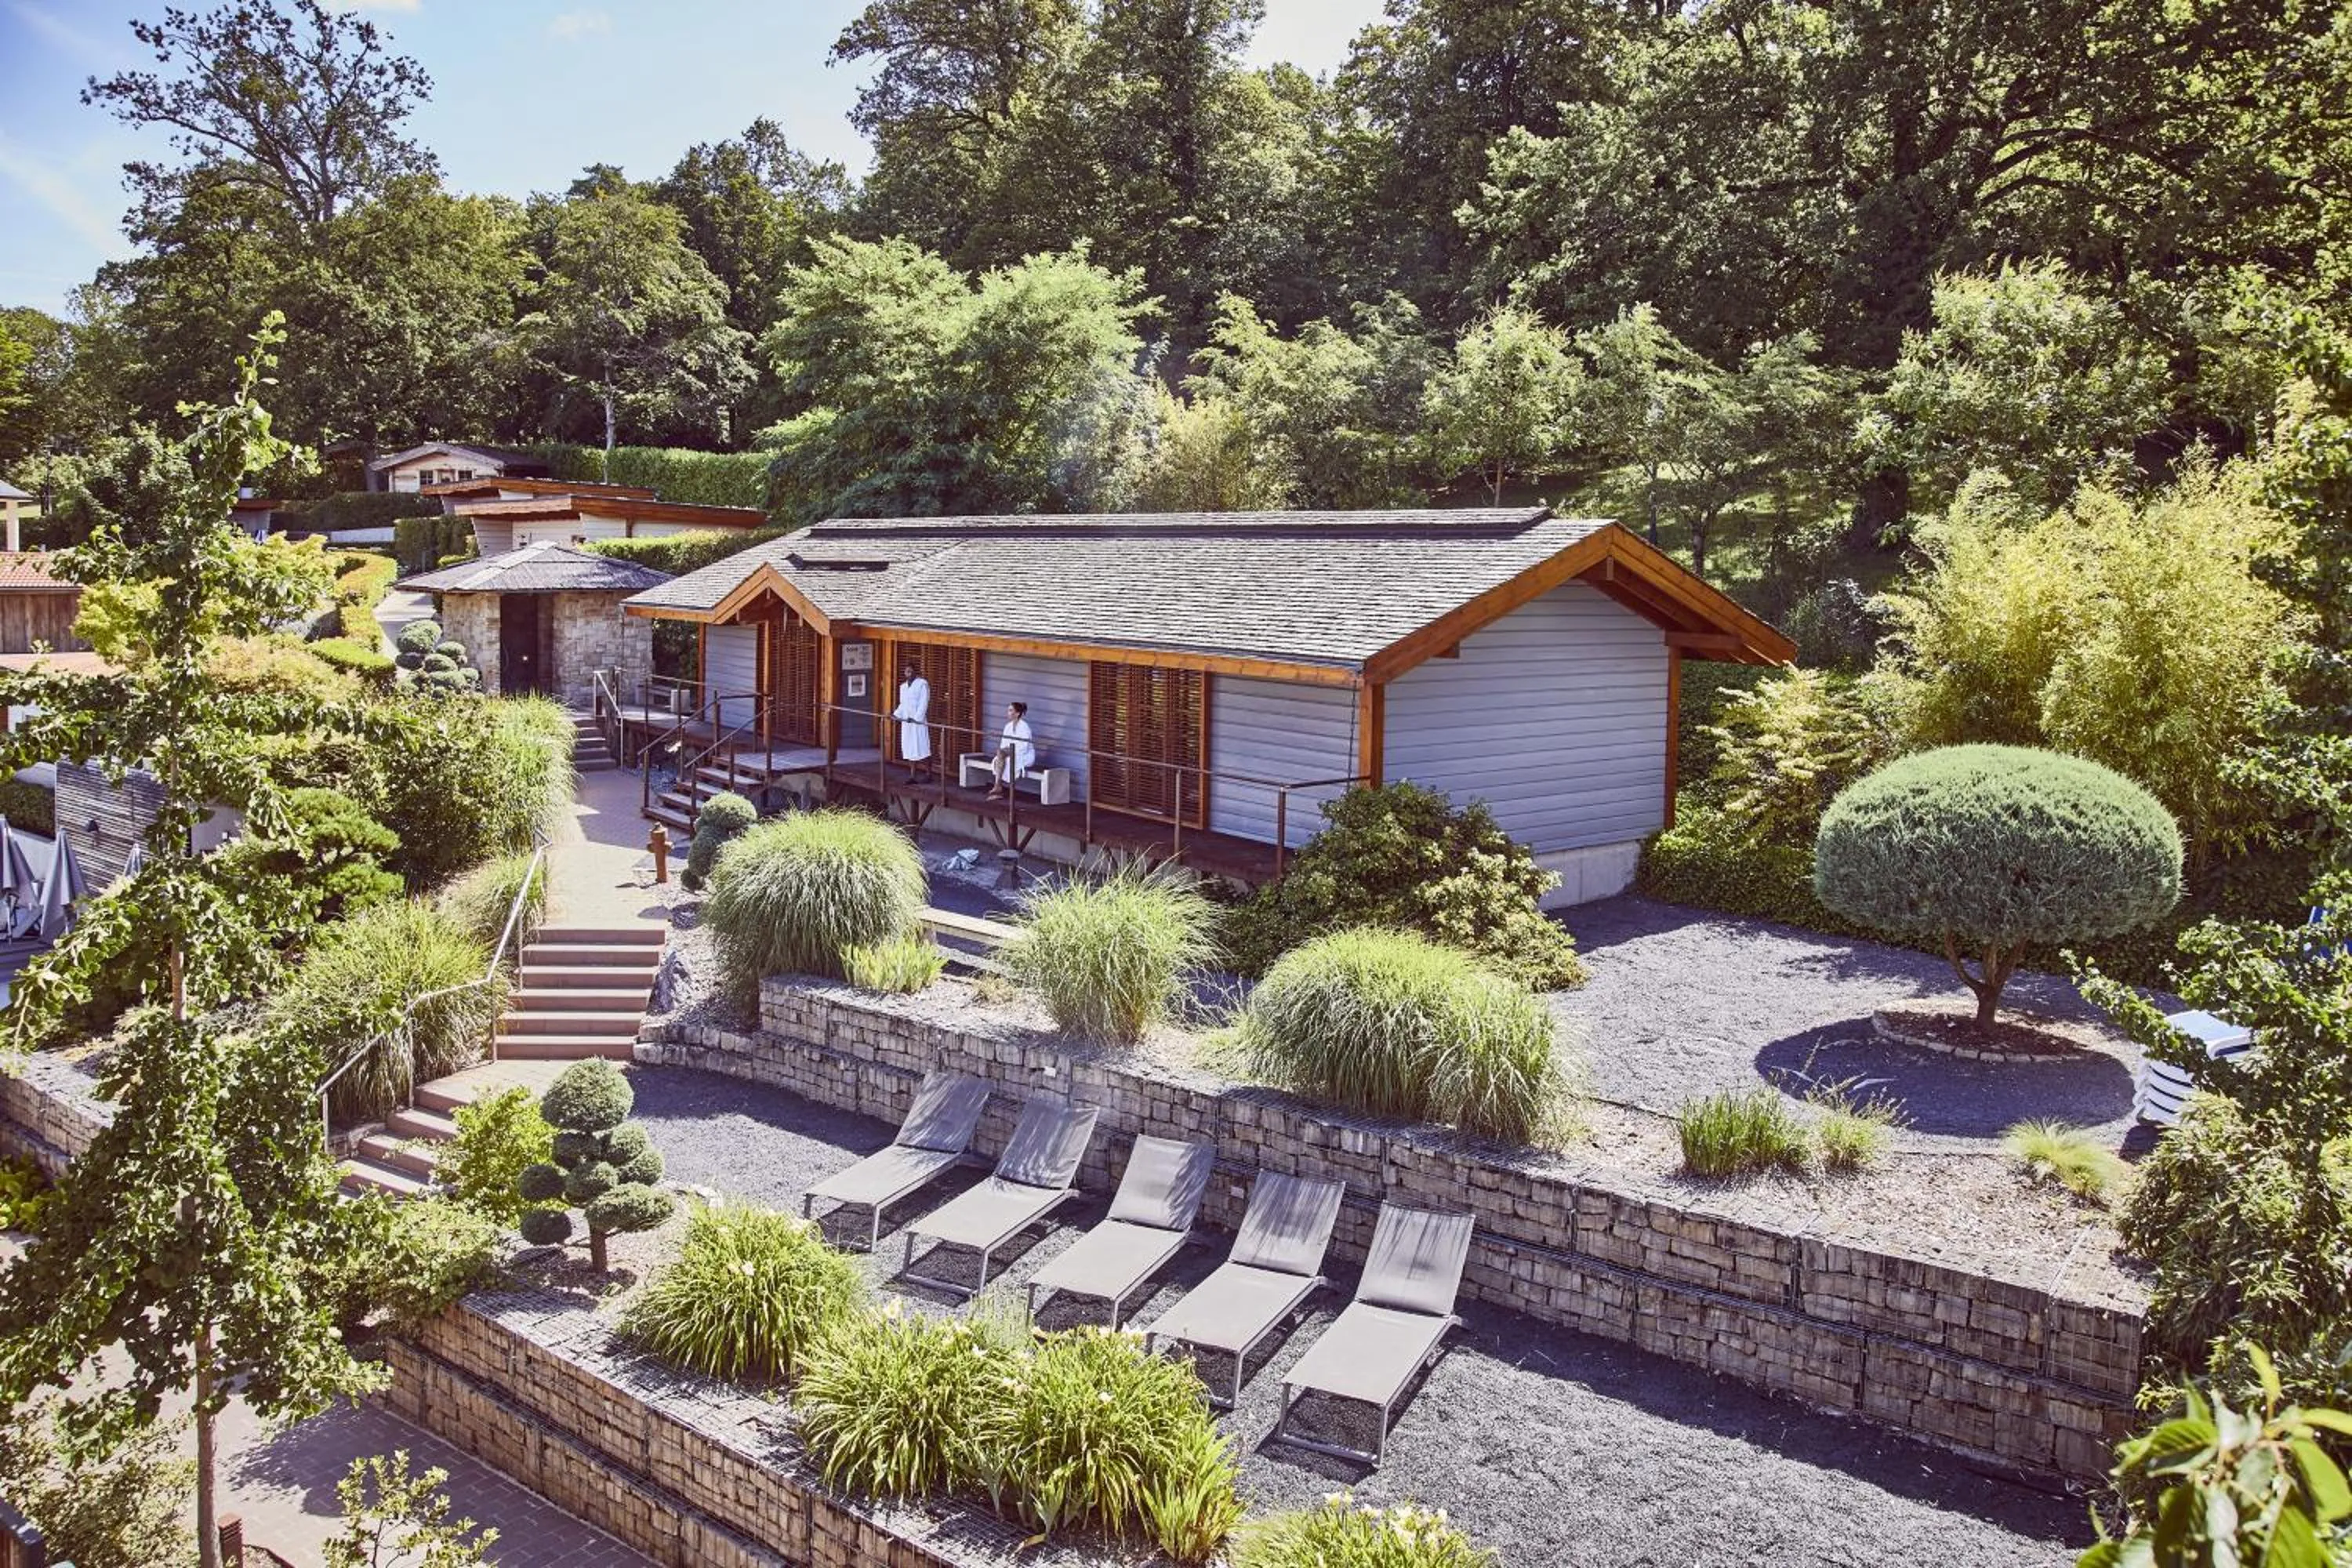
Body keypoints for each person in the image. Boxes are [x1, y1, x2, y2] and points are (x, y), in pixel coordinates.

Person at [985, 701, 1035, 800]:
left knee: (1008, 760)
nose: (1008, 712)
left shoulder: (1025, 727)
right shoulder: (1008, 726)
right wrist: (1006, 750)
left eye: (1011, 710)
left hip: (1025, 754)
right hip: (1010, 751)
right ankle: (998, 785)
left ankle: (998, 786)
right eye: (1008, 710)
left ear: (1017, 713)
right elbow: (1004, 743)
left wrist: (1011, 751)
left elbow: (1024, 746)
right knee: (1000, 756)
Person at [892, 662, 933, 780]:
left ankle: (928, 774)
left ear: (915, 672)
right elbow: (903, 704)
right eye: (906, 672)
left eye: (910, 671)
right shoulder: (903, 687)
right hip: (907, 721)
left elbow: (924, 703)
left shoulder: (922, 684)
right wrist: (896, 714)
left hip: (918, 722)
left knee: (922, 748)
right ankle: (912, 776)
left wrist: (916, 718)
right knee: (909, 748)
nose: (908, 674)